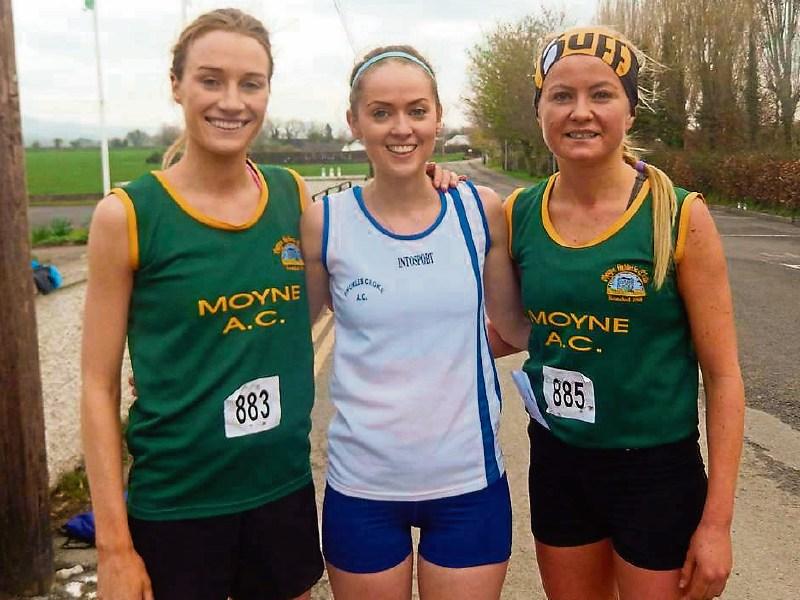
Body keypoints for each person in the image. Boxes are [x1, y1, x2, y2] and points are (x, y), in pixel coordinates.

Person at [500, 26, 745, 600]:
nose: (580, 112)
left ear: (630, 110)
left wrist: (716, 524)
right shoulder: (518, 213)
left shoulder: (679, 216)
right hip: (559, 463)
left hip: (655, 471)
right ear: (540, 110)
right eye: (561, 95)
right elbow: (510, 329)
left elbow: (725, 377)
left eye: (602, 94)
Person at [301, 46, 529, 600]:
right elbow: (284, 340)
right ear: (354, 121)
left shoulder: (480, 210)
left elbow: (515, 328)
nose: (401, 128)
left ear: (438, 117)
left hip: (468, 484)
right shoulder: (325, 221)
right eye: (381, 112)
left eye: (416, 110)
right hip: (362, 488)